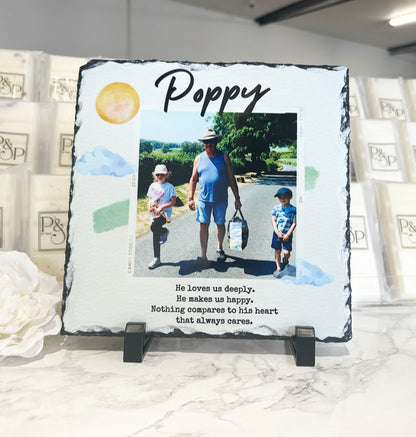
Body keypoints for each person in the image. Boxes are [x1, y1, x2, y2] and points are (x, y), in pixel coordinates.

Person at [188, 129, 242, 266]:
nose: (208, 145)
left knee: (220, 224)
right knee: (203, 225)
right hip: (203, 200)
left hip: (221, 199)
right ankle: (203, 255)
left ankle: (219, 248)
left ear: (216, 142)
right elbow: (193, 179)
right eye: (206, 142)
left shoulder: (224, 157)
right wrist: (190, 198)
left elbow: (231, 178)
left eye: (211, 142)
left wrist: (237, 197)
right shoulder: (199, 158)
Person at [147, 164, 176, 269]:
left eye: (162, 174)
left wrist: (162, 207)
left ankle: (163, 232)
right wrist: (149, 207)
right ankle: (157, 258)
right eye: (158, 174)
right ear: (154, 175)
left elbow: (173, 202)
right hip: (154, 214)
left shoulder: (170, 187)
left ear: (166, 175)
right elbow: (150, 199)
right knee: (155, 231)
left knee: (154, 227)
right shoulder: (152, 186)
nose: (160, 176)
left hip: (165, 214)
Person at [271, 187, 296, 274]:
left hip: (287, 234)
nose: (282, 199)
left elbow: (294, 223)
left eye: (285, 197)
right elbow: (273, 220)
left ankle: (285, 259)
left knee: (286, 252)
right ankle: (278, 267)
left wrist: (288, 234)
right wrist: (277, 232)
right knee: (277, 250)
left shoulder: (294, 210)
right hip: (277, 233)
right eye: (280, 197)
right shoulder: (276, 208)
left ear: (290, 197)